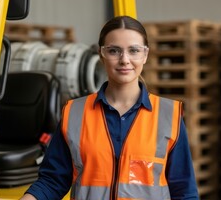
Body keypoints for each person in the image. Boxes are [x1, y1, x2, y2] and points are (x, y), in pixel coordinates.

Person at [21, 16, 199, 200]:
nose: (124, 60)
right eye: (114, 51)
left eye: (134, 50)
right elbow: (53, 180)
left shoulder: (168, 115)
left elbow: (184, 191)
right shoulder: (74, 113)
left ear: (145, 55)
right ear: (101, 54)